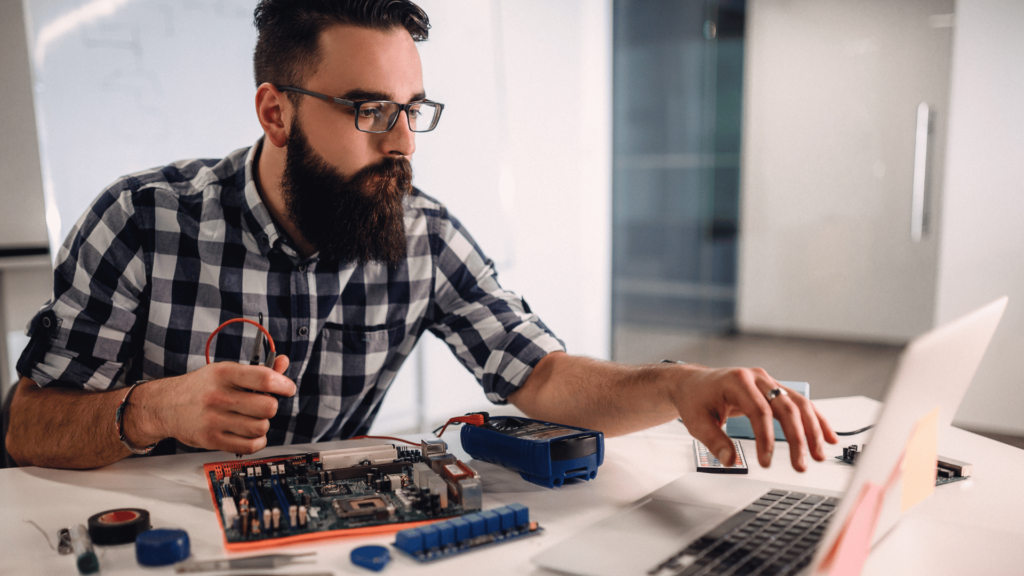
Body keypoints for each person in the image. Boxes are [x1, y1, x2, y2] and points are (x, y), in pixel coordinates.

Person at [5, 0, 837, 471]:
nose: (401, 141)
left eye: (411, 111)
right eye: (370, 110)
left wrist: (675, 386)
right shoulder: (143, 221)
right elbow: (27, 426)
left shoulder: (421, 234)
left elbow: (539, 374)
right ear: (275, 111)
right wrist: (152, 409)